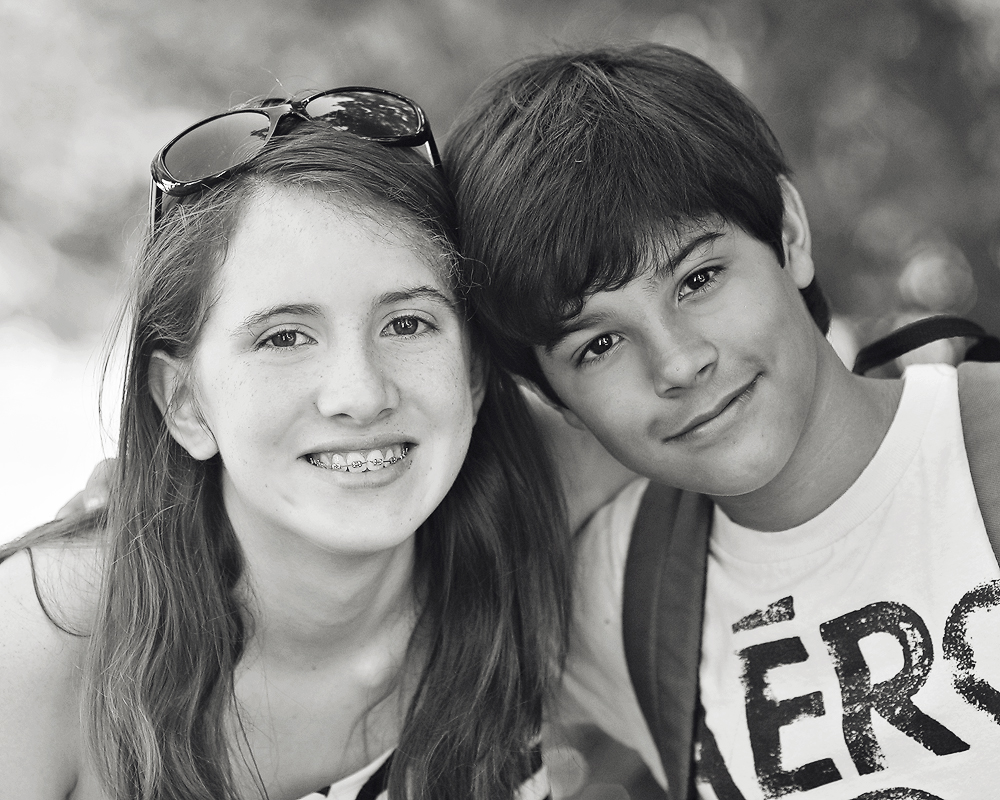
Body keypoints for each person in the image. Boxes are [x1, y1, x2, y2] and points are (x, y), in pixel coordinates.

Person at [443, 44, 1000, 799]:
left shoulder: (978, 444)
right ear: (553, 396)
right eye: (599, 345)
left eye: (699, 278)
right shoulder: (620, 590)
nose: (677, 363)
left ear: (789, 235)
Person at [0, 88, 570, 800]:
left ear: (474, 370)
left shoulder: (534, 527)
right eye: (285, 337)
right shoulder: (46, 633)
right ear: (184, 403)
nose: (361, 394)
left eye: (407, 324)